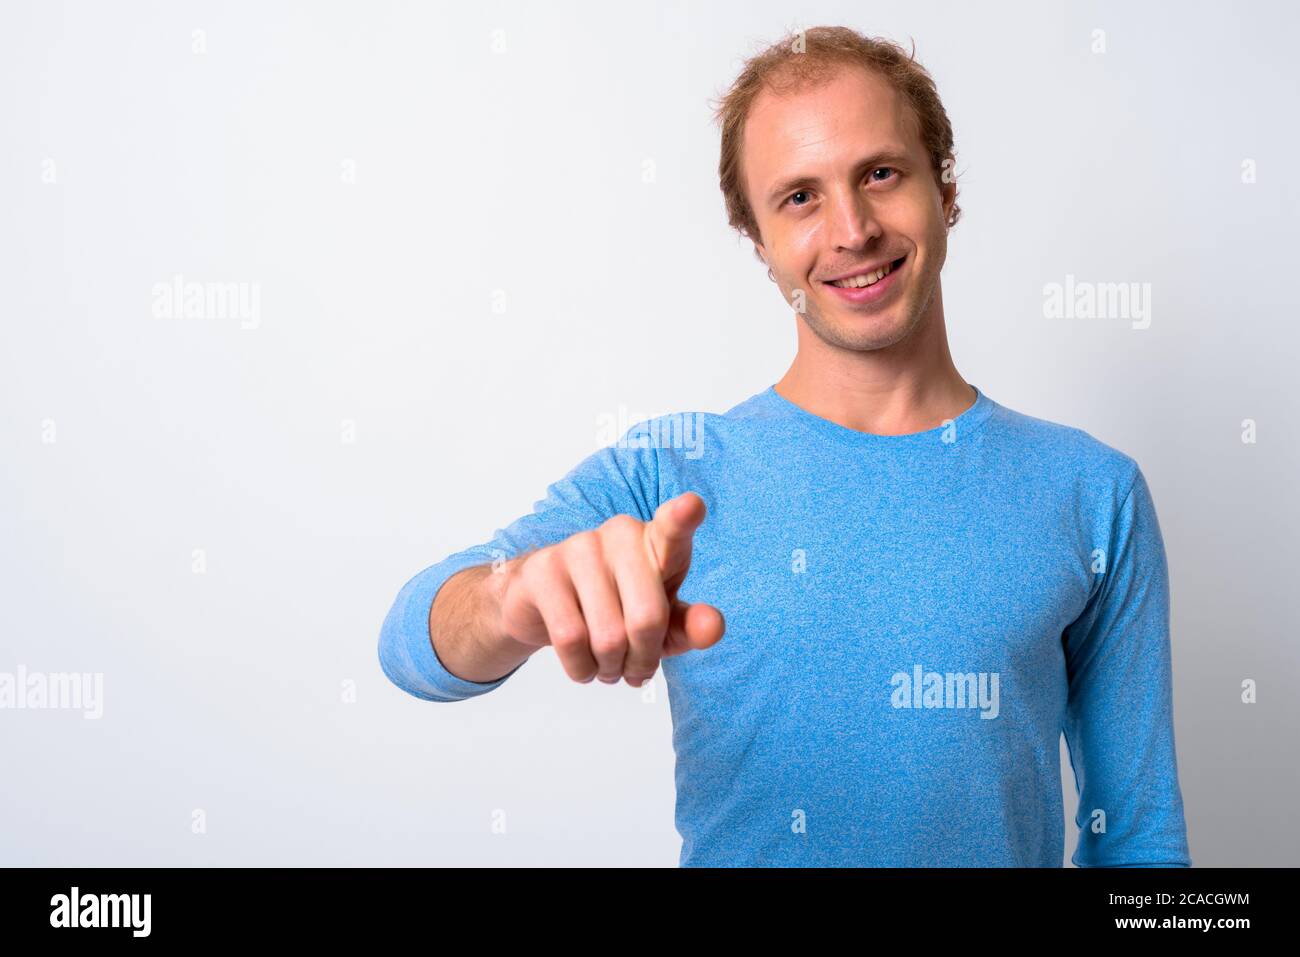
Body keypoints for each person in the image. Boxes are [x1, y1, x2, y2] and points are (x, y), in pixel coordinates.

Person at [378, 25, 1191, 868]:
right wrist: (511, 599)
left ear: (944, 188)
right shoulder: (671, 470)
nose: (851, 229)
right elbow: (410, 644)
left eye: (880, 173)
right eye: (799, 197)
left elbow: (1140, 841)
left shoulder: (1092, 492)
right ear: (757, 240)